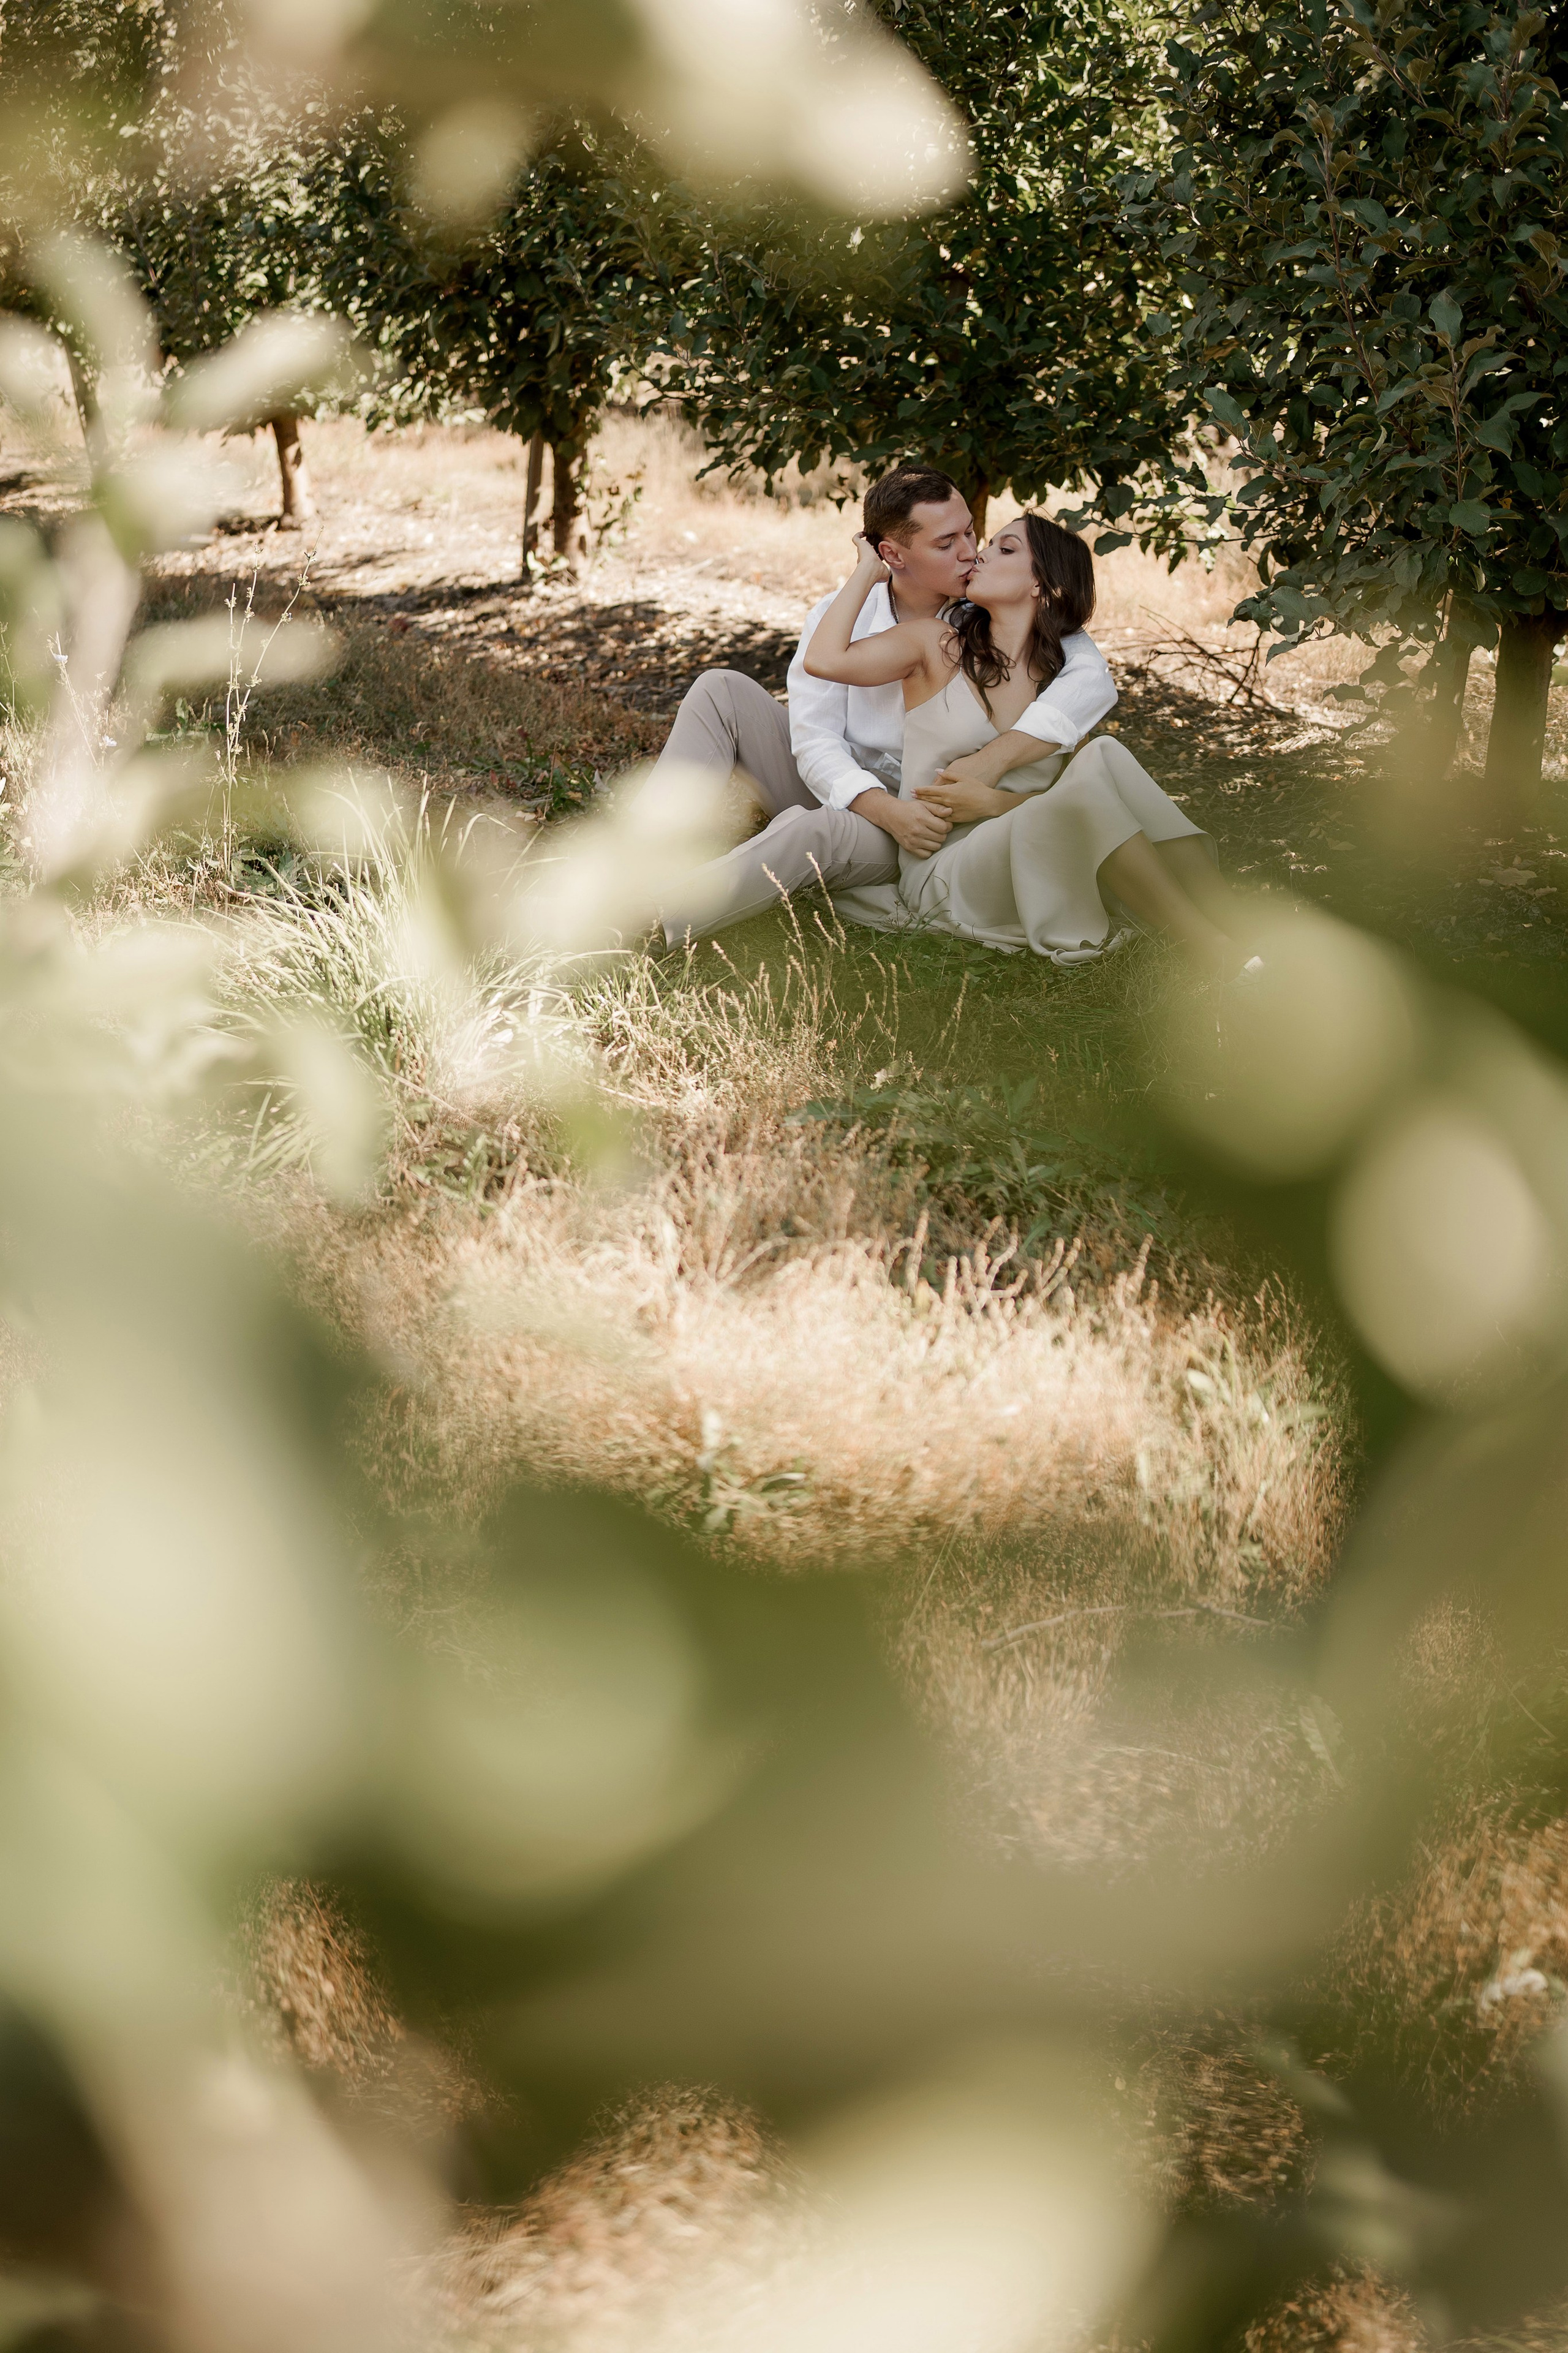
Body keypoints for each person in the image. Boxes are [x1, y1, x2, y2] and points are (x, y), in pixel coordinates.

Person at [636, 464, 1117, 948]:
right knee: (720, 689)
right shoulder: (839, 615)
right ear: (892, 554)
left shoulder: (990, 610)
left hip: (925, 819)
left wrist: (997, 759)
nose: (971, 552)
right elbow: (815, 740)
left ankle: (656, 919)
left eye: (971, 531)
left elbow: (1091, 676)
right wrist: (882, 808)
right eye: (946, 543)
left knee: (815, 829)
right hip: (856, 793)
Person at [802, 513, 1256, 975]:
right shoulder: (936, 645)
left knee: (1105, 754)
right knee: (1090, 773)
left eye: (1006, 549)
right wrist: (867, 568)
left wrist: (995, 803)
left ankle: (1230, 916)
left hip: (1022, 840)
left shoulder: (1063, 679)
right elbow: (823, 660)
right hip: (944, 866)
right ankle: (1206, 946)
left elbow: (1072, 798)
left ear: (1042, 584)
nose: (980, 553)